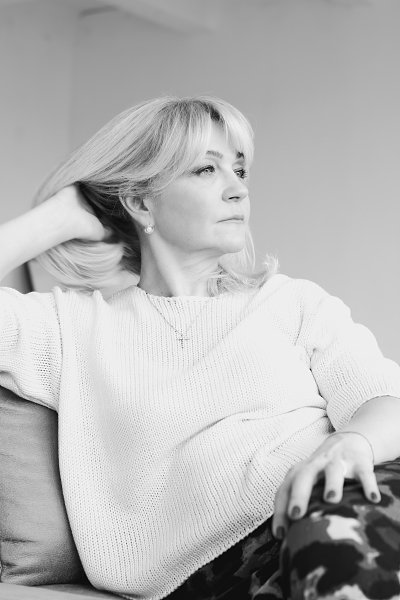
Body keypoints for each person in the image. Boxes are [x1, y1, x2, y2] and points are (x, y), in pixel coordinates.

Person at [1, 96, 400, 600]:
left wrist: (353, 442)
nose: (238, 189)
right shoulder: (68, 327)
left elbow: (384, 400)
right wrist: (59, 218)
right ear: (141, 202)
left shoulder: (293, 302)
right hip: (236, 567)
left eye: (240, 169)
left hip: (349, 498)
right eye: (207, 169)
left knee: (334, 541)